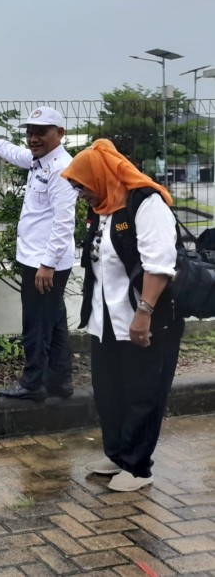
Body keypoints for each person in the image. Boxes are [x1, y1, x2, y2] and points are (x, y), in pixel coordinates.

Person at [62, 139, 182, 492]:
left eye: (82, 184)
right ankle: (117, 454)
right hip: (106, 322)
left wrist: (144, 313)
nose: (80, 193)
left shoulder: (146, 203)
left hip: (144, 320)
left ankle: (138, 467)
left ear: (100, 175)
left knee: (143, 393)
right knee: (109, 391)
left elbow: (159, 265)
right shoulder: (104, 207)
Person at [0, 106, 78, 401]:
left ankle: (32, 384)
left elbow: (64, 222)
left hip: (45, 263)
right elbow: (14, 152)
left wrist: (48, 264)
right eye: (30, 132)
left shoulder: (61, 169)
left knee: (36, 325)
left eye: (41, 132)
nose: (33, 138)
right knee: (54, 322)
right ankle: (60, 382)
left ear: (59, 133)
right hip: (38, 259)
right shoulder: (38, 160)